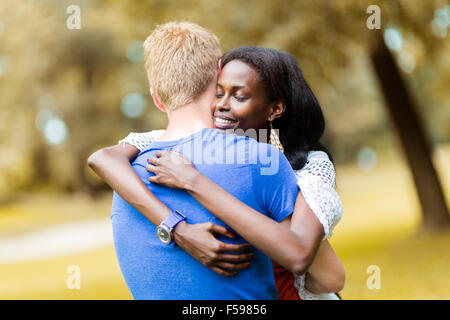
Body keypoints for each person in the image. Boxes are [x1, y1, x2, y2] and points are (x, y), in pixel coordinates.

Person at [88, 22, 343, 299]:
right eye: (221, 92)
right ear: (216, 75)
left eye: (239, 95)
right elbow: (102, 158)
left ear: (158, 100)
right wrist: (178, 228)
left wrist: (191, 187)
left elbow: (321, 271)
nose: (224, 105)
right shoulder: (263, 163)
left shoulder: (133, 171)